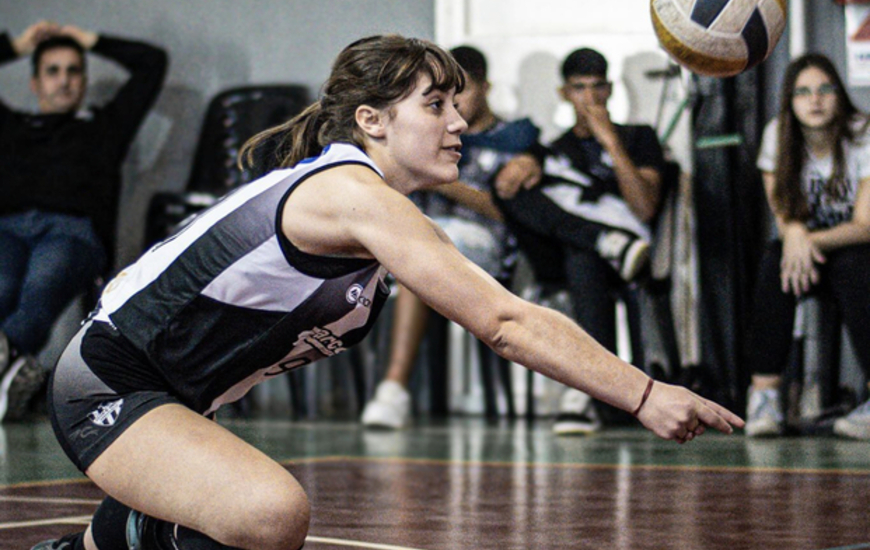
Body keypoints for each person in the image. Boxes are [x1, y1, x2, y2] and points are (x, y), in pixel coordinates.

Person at [32, 35, 742, 550]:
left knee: (252, 516)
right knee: (272, 514)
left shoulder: (372, 212)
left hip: (176, 401)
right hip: (108, 384)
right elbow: (502, 320)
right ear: (371, 121)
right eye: (435, 104)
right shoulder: (347, 193)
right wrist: (643, 394)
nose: (459, 121)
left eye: (456, 103)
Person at [360, 45, 540, 429]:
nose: (453, 108)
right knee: (400, 251)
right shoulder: (425, 135)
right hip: (420, 239)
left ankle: (393, 387)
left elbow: (512, 211)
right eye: (441, 100)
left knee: (419, 257)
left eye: (463, 93)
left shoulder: (516, 137)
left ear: (486, 87)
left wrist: (442, 182)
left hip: (485, 248)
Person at [0, 21, 167, 421]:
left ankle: (9, 367)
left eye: (74, 70)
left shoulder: (104, 128)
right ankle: (9, 375)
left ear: (85, 80)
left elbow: (152, 64)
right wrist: (18, 45)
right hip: (6, 228)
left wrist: (89, 40)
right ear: (35, 83)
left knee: (42, 281)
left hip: (72, 233)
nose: (65, 81)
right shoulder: (9, 127)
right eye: (53, 71)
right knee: (1, 286)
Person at [494, 47, 665, 435]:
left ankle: (586, 391)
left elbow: (645, 208)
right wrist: (524, 166)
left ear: (610, 89)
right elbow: (508, 187)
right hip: (566, 249)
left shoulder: (639, 137)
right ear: (564, 94)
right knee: (510, 189)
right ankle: (599, 240)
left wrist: (610, 141)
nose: (589, 98)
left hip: (630, 253)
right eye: (579, 88)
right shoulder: (553, 149)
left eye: (597, 87)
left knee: (581, 258)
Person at [743, 53, 870, 439]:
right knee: (773, 262)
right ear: (790, 100)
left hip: (854, 248)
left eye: (824, 89)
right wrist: (793, 236)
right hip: (807, 259)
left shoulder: (863, 133)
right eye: (802, 92)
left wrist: (803, 238)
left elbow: (865, 226)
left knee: (853, 266)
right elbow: (783, 214)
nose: (814, 100)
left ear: (839, 94)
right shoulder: (777, 134)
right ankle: (764, 397)